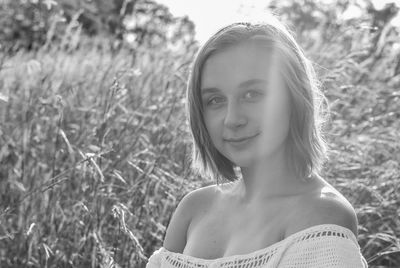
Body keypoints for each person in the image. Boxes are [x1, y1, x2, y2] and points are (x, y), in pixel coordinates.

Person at [146, 13, 369, 268]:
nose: (232, 119)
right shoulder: (194, 209)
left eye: (252, 94)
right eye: (215, 100)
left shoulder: (322, 217)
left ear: (294, 97)